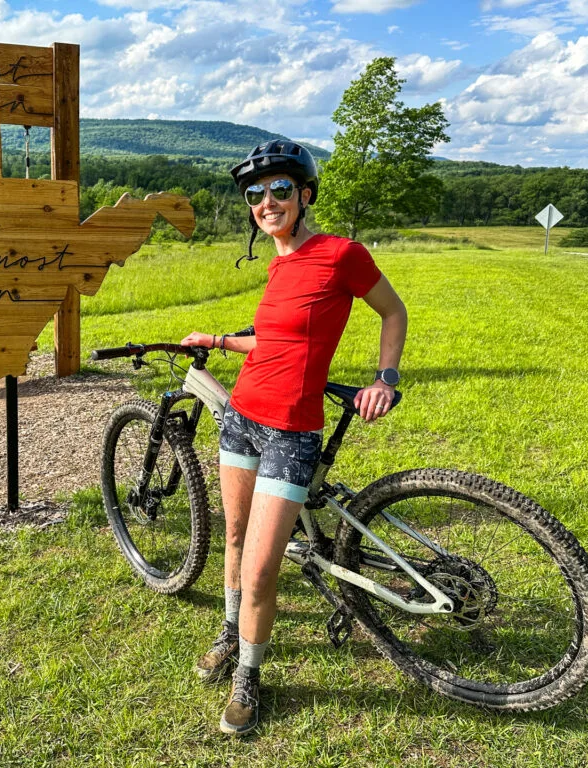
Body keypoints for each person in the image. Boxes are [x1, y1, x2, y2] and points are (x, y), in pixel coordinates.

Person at [180, 140, 408, 737]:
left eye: (280, 189)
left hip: (291, 432)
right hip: (242, 417)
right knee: (232, 535)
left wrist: (386, 378)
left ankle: (249, 676)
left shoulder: (341, 255)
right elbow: (272, 340)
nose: (267, 202)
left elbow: (393, 312)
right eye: (256, 194)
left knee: (260, 571)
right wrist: (221, 341)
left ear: (305, 195)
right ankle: (232, 634)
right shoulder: (278, 263)